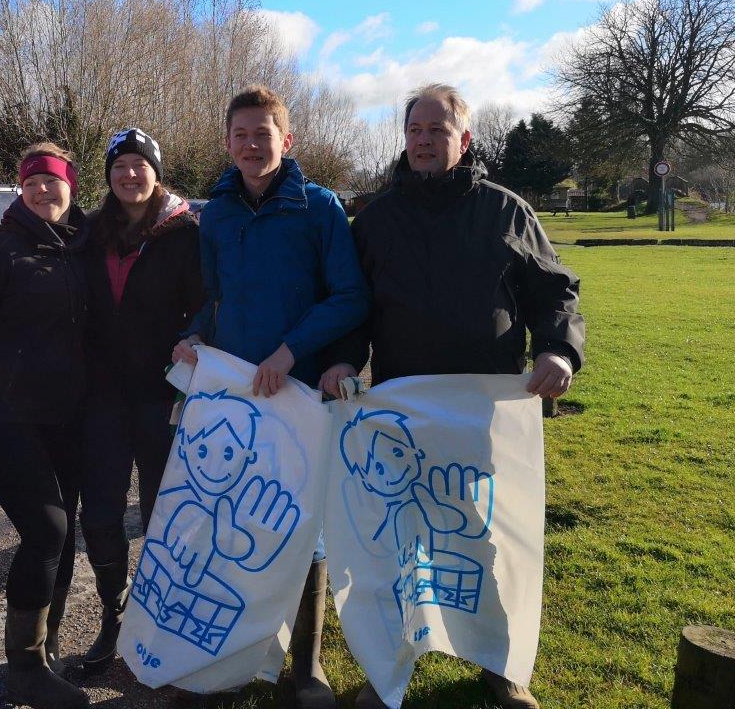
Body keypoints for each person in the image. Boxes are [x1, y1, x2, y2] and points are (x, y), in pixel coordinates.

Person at [319, 83, 586, 709]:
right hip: (400, 410)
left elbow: (555, 291)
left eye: (437, 130)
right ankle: (393, 667)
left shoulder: (505, 210)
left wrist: (557, 349)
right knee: (396, 542)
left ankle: (501, 666)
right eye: (414, 129)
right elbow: (355, 306)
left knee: (483, 534)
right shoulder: (378, 218)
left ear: (464, 141)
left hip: (481, 410)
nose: (423, 140)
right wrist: (339, 361)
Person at [173, 86, 369, 709]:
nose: (252, 145)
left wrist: (289, 352)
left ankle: (306, 669)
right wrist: (193, 333)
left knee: (302, 525)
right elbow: (212, 294)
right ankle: (234, 656)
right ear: (227, 143)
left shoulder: (320, 207)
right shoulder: (219, 213)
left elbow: (348, 296)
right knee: (237, 520)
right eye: (241, 135)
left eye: (264, 134)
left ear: (287, 141)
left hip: (302, 394)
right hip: (236, 399)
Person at [0, 142, 91, 709]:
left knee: (63, 532)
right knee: (47, 531)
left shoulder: (81, 246)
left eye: (52, 181)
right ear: (20, 190)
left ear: (71, 185)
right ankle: (25, 669)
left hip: (64, 415)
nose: (43, 191)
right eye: (31, 183)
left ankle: (46, 650)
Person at [78, 128, 203, 673]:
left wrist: (197, 335)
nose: (130, 174)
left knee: (162, 512)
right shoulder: (88, 232)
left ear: (156, 172)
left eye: (140, 165)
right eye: (120, 165)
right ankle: (113, 614)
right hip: (102, 398)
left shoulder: (184, 234)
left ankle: (159, 619)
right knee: (102, 512)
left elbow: (206, 305)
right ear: (108, 175)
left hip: (162, 396)